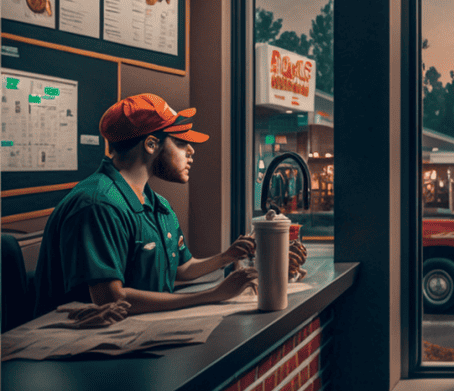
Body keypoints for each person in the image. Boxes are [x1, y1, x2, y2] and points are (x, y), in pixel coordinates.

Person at [32, 94, 300, 317]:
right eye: (182, 142)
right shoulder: (98, 205)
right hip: (77, 352)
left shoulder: (157, 205)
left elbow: (181, 269)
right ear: (151, 144)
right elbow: (110, 299)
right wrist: (214, 294)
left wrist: (227, 256)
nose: (191, 151)